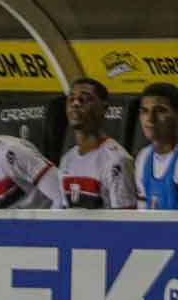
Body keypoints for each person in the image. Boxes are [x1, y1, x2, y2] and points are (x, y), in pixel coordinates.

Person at [59, 77, 136, 209]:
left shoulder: (116, 160)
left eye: (85, 99)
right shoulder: (67, 159)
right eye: (71, 99)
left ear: (104, 108)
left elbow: (126, 223)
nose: (76, 103)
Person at [134, 82, 178, 210]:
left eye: (160, 110)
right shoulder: (144, 156)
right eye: (145, 111)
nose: (150, 119)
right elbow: (142, 212)